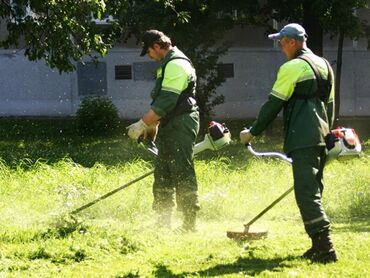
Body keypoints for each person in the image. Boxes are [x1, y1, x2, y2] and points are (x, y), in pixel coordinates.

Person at [240, 23, 337, 263]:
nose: (280, 47)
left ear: (292, 42)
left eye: (281, 43)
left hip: (303, 137)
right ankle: (317, 245)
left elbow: (274, 104)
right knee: (313, 190)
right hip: (322, 138)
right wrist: (327, 134)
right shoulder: (325, 65)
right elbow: (330, 106)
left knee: (306, 194)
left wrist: (252, 132)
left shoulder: (292, 67)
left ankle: (326, 247)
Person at [126, 30, 200, 232]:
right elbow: (161, 103)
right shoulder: (166, 66)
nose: (149, 56)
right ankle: (162, 221)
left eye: (149, 51)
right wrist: (151, 128)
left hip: (182, 123)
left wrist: (141, 124)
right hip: (170, 123)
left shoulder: (176, 65)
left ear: (158, 46)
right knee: (163, 173)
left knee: (182, 171)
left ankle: (189, 223)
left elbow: (166, 102)